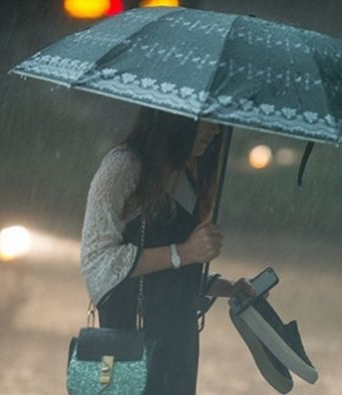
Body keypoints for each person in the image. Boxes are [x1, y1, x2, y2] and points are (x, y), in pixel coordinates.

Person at [80, 108, 255, 394]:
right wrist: (185, 252)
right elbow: (98, 261)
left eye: (219, 121)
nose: (215, 129)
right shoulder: (122, 167)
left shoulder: (188, 175)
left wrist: (227, 287)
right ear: (175, 116)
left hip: (178, 346)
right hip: (131, 342)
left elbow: (169, 278)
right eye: (205, 119)